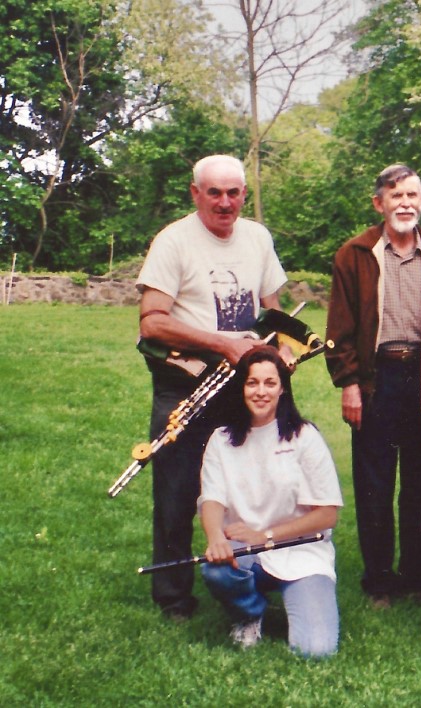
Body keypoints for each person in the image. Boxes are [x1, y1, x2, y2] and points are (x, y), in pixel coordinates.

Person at [135, 154, 289, 620]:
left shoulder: (258, 237)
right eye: (215, 192)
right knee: (179, 490)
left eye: (234, 193)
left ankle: (251, 577)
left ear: (244, 194)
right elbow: (152, 322)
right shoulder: (173, 241)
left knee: (252, 483)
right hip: (186, 383)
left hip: (245, 384)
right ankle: (174, 596)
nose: (225, 203)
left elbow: (273, 312)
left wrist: (280, 352)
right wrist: (222, 344)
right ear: (195, 192)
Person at [326, 164, 421, 607]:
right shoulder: (354, 254)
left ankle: (418, 575)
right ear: (379, 203)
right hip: (376, 378)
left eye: (413, 196)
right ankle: (378, 580)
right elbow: (339, 326)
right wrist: (349, 383)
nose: (406, 204)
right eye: (396, 196)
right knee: (375, 482)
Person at [199, 346, 343, 657]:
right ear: (241, 388)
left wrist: (265, 535)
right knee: (217, 569)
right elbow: (211, 498)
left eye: (269, 383)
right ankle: (249, 613)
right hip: (248, 553)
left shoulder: (304, 437)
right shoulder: (221, 439)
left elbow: (327, 515)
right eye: (252, 383)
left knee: (315, 652)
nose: (260, 392)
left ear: (282, 389)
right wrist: (215, 538)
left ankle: (298, 600)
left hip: (302, 553)